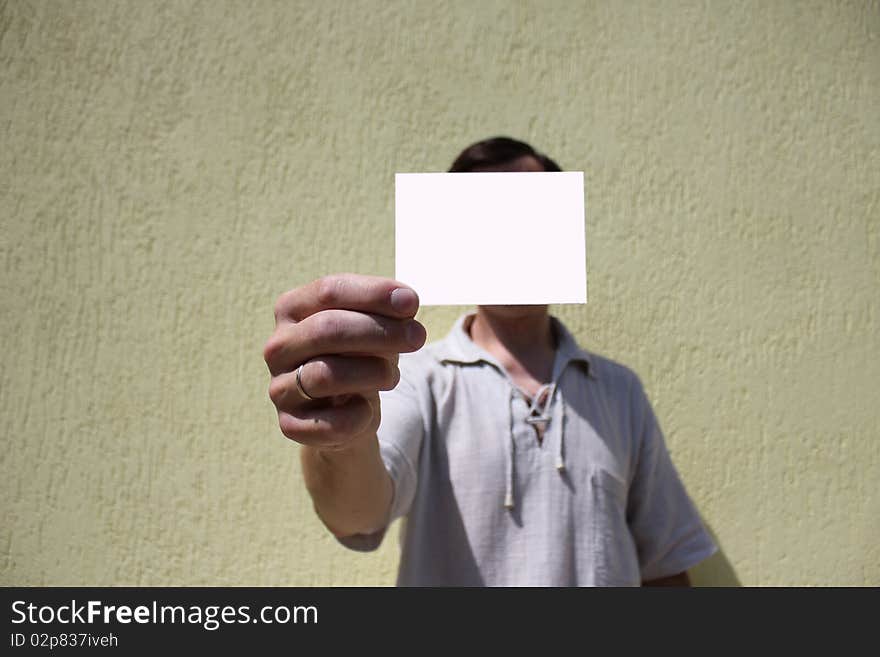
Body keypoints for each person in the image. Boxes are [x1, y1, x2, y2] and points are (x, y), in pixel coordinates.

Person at [264, 136, 716, 586]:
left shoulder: (621, 391)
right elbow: (357, 514)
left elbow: (665, 564)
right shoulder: (412, 376)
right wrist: (340, 435)